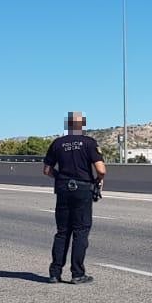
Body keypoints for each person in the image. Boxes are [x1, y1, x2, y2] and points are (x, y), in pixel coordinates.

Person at [42, 111, 106, 284]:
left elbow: (47, 170)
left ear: (68, 125)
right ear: (82, 125)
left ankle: (55, 273)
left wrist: (62, 177)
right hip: (82, 189)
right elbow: (101, 170)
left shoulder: (57, 143)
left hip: (63, 188)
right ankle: (77, 273)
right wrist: (98, 181)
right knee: (80, 231)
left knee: (62, 232)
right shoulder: (89, 143)